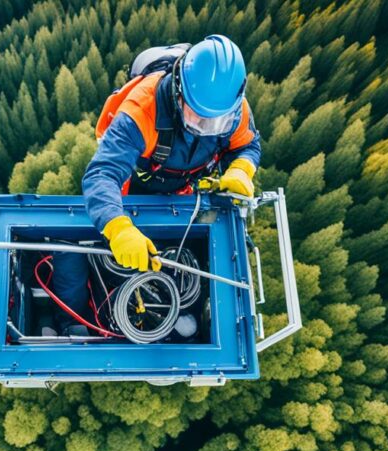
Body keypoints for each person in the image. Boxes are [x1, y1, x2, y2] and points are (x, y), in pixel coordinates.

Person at [51, 34, 261, 335]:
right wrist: (118, 228)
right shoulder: (142, 110)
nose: (205, 129)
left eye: (215, 123)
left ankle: (169, 309)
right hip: (132, 191)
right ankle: (74, 323)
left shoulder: (232, 110)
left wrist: (241, 169)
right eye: (197, 118)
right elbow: (102, 175)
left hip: (182, 193)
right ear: (178, 92)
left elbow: (248, 145)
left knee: (171, 253)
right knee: (112, 252)